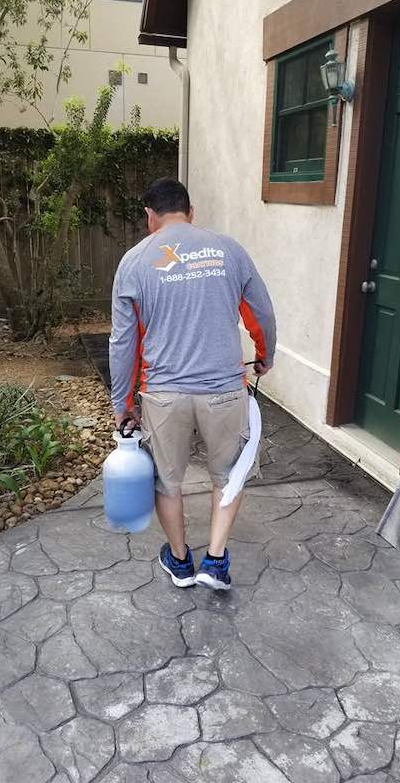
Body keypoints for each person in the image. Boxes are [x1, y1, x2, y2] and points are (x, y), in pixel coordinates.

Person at [109, 178, 276, 590]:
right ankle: (216, 561)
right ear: (191, 211)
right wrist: (264, 354)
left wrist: (122, 401)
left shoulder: (133, 262)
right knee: (228, 476)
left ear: (150, 216)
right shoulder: (228, 251)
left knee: (168, 481)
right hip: (223, 390)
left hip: (164, 394)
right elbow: (262, 313)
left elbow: (123, 341)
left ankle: (181, 562)